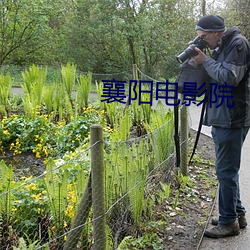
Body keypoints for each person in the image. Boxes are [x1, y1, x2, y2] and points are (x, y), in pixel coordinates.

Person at [192, 15, 250, 238]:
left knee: (225, 171)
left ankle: (228, 223)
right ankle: (237, 214)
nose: (203, 41)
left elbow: (228, 77)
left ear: (216, 32)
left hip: (232, 118)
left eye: (204, 37)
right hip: (222, 116)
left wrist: (205, 61)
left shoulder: (238, 44)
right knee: (227, 170)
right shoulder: (221, 46)